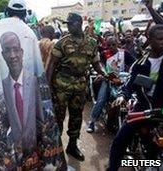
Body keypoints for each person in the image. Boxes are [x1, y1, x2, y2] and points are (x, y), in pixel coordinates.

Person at [0, 0, 66, 170]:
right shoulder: (30, 32)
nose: (13, 55)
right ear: (25, 14)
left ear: (6, 11)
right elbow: (38, 67)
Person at [46, 13, 110, 162]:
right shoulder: (62, 42)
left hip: (80, 85)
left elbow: (96, 63)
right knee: (58, 117)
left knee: (76, 116)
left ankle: (72, 145)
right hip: (61, 85)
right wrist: (47, 88)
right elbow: (50, 67)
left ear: (79, 23)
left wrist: (105, 73)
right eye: (67, 24)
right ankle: (56, 148)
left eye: (71, 23)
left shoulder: (92, 43)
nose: (68, 26)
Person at [107, 24, 163, 171]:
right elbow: (128, 85)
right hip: (144, 108)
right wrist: (121, 96)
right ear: (150, 40)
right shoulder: (139, 64)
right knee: (120, 140)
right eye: (160, 39)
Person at [0, 31, 42, 150]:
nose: (13, 55)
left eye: (16, 49)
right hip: (13, 149)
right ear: (3, 55)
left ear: (22, 52)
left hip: (34, 147)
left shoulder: (34, 81)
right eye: (7, 50)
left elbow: (41, 116)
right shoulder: (2, 87)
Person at [86, 36, 135, 133]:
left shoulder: (124, 53)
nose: (111, 47)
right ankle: (92, 122)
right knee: (101, 100)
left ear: (117, 44)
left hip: (121, 80)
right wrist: (102, 73)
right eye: (109, 45)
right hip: (108, 80)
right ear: (106, 45)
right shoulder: (104, 54)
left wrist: (130, 72)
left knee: (128, 100)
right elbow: (100, 65)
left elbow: (134, 63)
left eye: (113, 44)